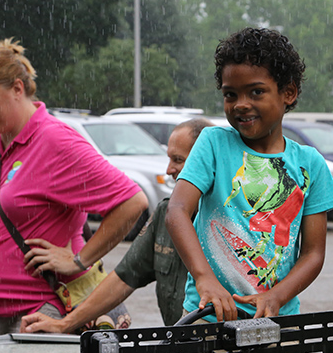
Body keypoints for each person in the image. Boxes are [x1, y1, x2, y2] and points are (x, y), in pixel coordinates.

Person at [0, 39, 148, 336]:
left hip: (39, 314)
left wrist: (79, 260)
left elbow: (132, 201)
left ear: (17, 89)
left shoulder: (54, 141)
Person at [165, 27, 333, 322]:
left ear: (289, 93)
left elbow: (313, 254)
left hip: (276, 320)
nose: (241, 104)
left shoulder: (310, 165)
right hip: (208, 316)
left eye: (256, 91)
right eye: (230, 94)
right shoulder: (213, 143)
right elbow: (177, 210)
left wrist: (277, 296)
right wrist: (203, 277)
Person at [19, 118, 214, 333]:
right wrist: (64, 324)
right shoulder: (164, 216)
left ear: (206, 162)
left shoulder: (235, 220)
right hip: (180, 351)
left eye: (178, 160)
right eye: (169, 158)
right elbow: (123, 278)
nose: (169, 169)